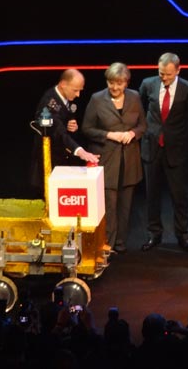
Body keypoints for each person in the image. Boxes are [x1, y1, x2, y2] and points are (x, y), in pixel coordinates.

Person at [82, 63, 147, 253]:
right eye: (111, 83)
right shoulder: (96, 99)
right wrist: (109, 135)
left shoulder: (134, 97)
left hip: (130, 161)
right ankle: (107, 245)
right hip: (107, 160)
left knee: (125, 206)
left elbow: (143, 125)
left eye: (119, 84)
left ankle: (120, 243)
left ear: (126, 83)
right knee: (109, 206)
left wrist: (133, 133)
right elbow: (87, 129)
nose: (115, 88)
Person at [139, 52, 188, 252]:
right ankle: (154, 234)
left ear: (178, 70)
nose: (164, 78)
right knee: (152, 194)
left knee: (179, 195)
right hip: (152, 147)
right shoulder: (148, 84)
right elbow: (141, 111)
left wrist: (183, 144)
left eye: (168, 75)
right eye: (161, 73)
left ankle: (183, 235)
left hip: (175, 149)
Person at [31, 69, 99, 189]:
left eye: (80, 90)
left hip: (63, 160)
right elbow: (58, 132)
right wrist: (80, 151)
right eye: (75, 90)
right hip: (50, 164)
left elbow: (63, 124)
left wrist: (71, 126)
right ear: (63, 84)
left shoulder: (65, 98)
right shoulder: (49, 103)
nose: (78, 95)